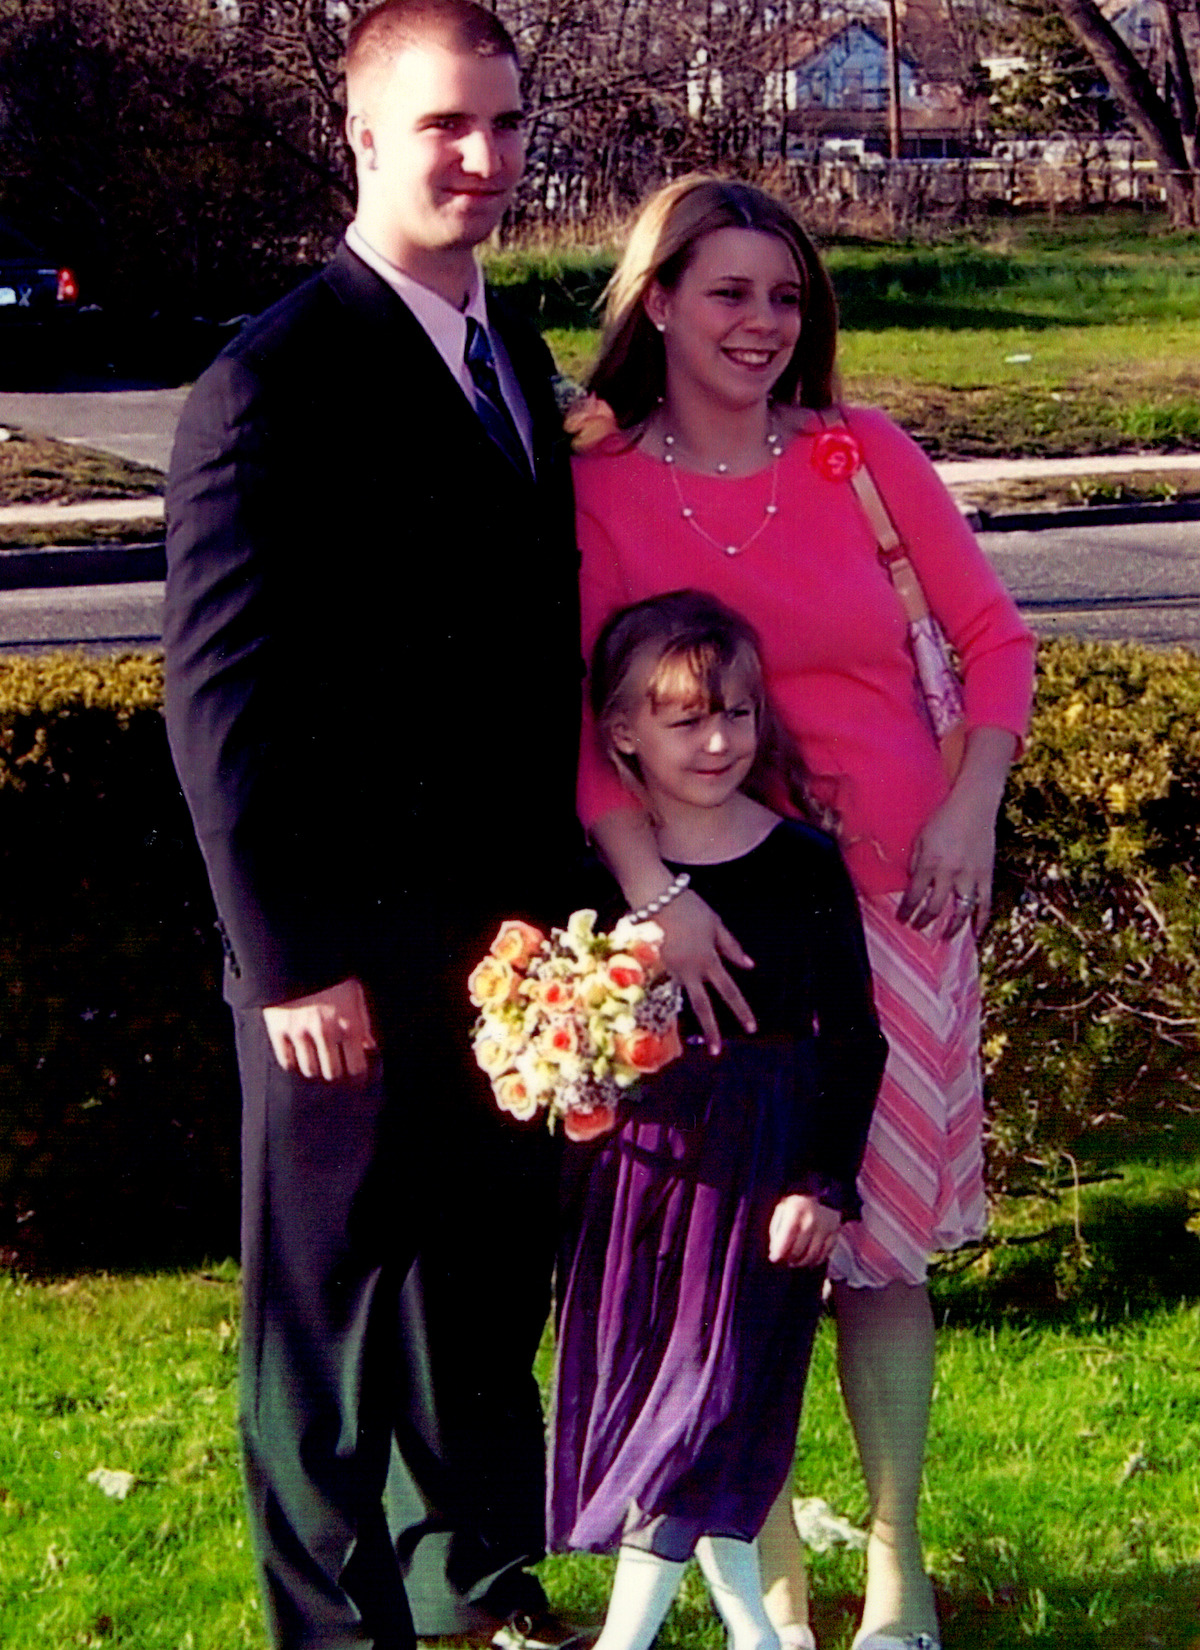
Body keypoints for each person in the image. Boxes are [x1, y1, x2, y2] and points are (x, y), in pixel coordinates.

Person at [163, 4, 583, 1647]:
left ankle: (475, 1586)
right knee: (329, 1331)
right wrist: (289, 964)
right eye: (443, 127)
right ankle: (337, 1628)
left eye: (507, 123)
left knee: (480, 1299)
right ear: (362, 139)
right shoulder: (271, 382)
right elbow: (223, 712)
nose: (483, 160)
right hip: (336, 960)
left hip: (504, 953)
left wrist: (553, 923)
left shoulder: (515, 360)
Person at [571, 177, 1037, 1650]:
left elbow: (994, 643)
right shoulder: (597, 489)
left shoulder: (862, 456)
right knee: (735, 1258)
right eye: (727, 293)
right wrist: (654, 899)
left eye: (786, 297)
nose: (762, 324)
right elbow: (573, 728)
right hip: (714, 933)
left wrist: (970, 807)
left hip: (906, 893)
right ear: (655, 301)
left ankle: (896, 1579)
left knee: (879, 1245)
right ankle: (768, 1590)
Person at [550, 590, 887, 1650]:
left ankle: (625, 1638)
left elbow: (856, 1038)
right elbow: (571, 1019)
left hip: (760, 1169)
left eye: (737, 713)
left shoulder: (801, 864)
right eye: (686, 718)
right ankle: (754, 1632)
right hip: (645, 1174)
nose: (717, 740)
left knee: (712, 1397)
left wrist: (825, 1181)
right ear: (622, 735)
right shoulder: (602, 872)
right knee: (672, 1406)